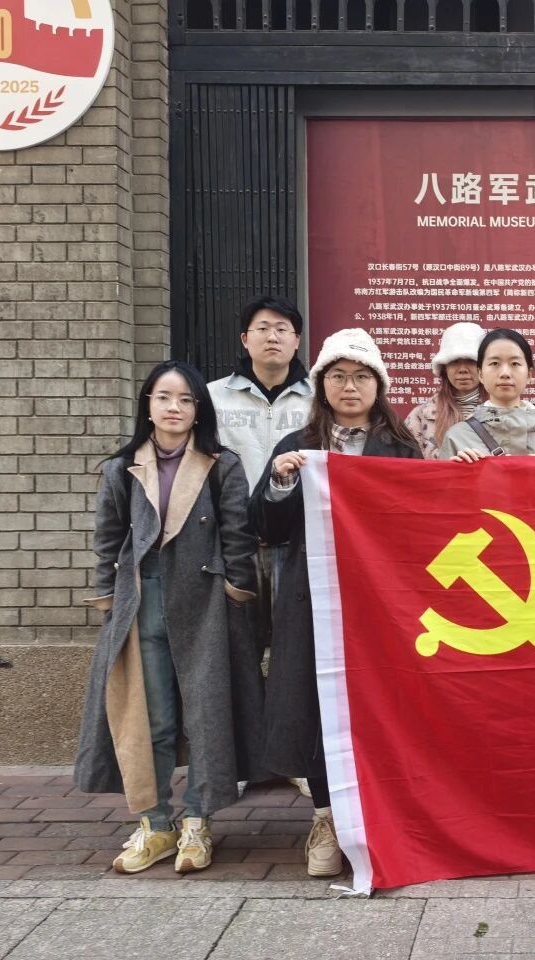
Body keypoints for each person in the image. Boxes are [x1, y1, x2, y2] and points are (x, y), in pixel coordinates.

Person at [75, 360, 263, 875]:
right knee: (150, 717)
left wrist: (235, 591)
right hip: (142, 601)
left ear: (198, 409)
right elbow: (108, 539)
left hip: (205, 603)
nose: (173, 407)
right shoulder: (121, 467)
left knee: (205, 717)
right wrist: (108, 599)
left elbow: (238, 535)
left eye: (184, 399)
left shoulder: (221, 464)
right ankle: (156, 824)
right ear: (148, 405)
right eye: (163, 397)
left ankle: (198, 822)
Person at [252, 329, 422, 877]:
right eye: (338, 376)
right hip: (313, 599)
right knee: (316, 704)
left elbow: (421, 525)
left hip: (381, 603)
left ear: (379, 385)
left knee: (381, 705)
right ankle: (326, 816)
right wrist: (280, 483)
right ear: (322, 384)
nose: (350, 386)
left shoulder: (402, 448)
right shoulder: (298, 446)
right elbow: (266, 527)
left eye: (362, 376)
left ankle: (383, 816)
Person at [207, 294, 314, 799]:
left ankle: (293, 755)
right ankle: (248, 758)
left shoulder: (318, 400)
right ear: (244, 338)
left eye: (283, 329)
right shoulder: (211, 399)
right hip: (236, 546)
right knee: (240, 655)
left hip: (298, 545)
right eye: (263, 328)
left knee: (295, 655)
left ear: (297, 341)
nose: (273, 336)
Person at [440, 329, 535, 460]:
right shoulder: (458, 436)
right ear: (481, 374)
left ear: (529, 375)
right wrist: (456, 469)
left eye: (515, 364)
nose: (505, 373)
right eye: (494, 363)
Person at [404, 321, 488, 459]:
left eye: (470, 361)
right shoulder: (420, 416)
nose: (462, 369)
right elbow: (409, 467)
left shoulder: (503, 411)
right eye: (454, 361)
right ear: (444, 367)